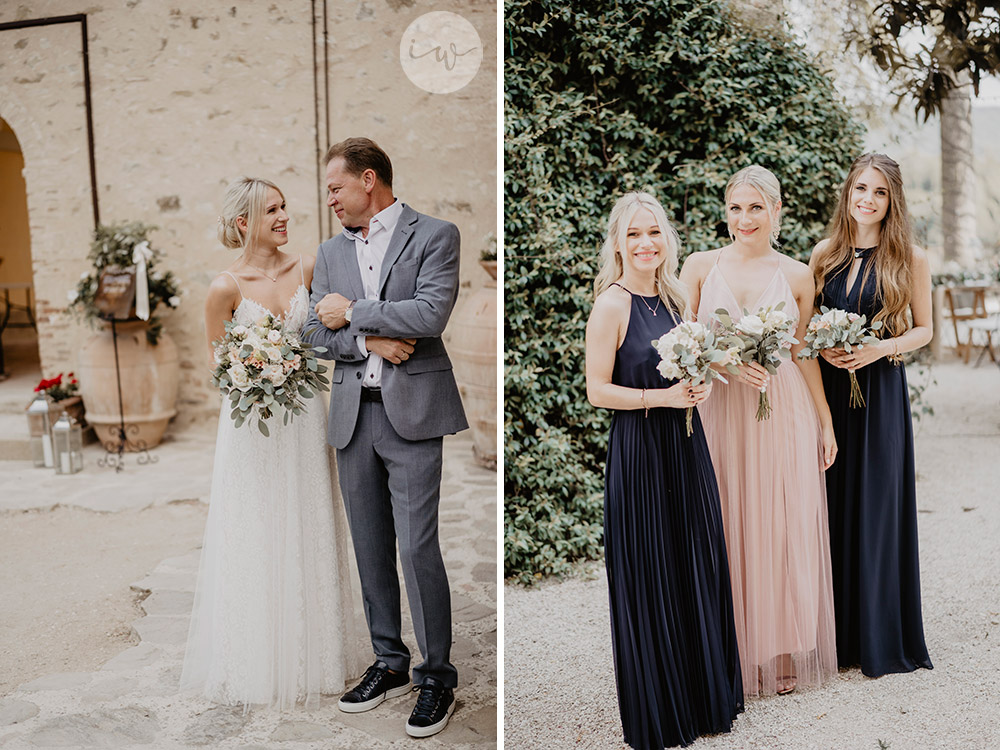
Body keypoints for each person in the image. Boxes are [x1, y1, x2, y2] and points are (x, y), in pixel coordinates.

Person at [302, 137, 468, 738]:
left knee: (418, 546)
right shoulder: (327, 252)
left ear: (368, 180)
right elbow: (316, 336)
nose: (330, 200)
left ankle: (437, 677)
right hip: (352, 414)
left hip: (415, 413)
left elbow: (429, 316)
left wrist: (354, 311)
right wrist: (369, 337)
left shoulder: (436, 235)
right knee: (369, 545)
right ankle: (390, 662)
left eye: (335, 188)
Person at [180, 176, 359, 708]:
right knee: (255, 525)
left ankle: (316, 651)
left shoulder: (307, 267)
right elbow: (216, 361)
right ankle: (255, 654)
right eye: (273, 210)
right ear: (245, 222)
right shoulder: (225, 288)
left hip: (304, 417)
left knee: (309, 517)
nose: (285, 217)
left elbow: (328, 330)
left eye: (285, 208)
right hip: (253, 424)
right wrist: (253, 368)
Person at [585, 191, 743, 749]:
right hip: (643, 452)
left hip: (687, 446)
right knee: (652, 571)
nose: (645, 243)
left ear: (666, 238)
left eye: (653, 232)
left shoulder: (678, 298)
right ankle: (662, 709)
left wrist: (700, 384)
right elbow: (596, 390)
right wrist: (665, 399)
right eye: (633, 234)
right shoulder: (613, 303)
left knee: (695, 561)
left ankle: (703, 697)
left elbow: (692, 362)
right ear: (618, 243)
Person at [680, 165, 838, 697]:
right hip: (719, 409)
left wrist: (825, 418)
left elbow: (802, 351)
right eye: (735, 207)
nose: (744, 218)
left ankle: (780, 646)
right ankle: (729, 646)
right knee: (722, 517)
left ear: (776, 211)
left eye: (755, 207)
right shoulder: (700, 266)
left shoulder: (796, 274)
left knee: (779, 521)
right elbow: (682, 342)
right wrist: (723, 363)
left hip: (779, 407)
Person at [810, 153, 933, 677]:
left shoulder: (910, 257)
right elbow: (805, 328)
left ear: (892, 200)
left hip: (880, 391)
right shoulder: (824, 253)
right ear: (847, 193)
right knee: (834, 505)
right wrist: (824, 348)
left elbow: (924, 330)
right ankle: (838, 637)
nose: (867, 199)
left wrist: (880, 350)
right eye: (860, 188)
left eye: (879, 192)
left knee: (879, 507)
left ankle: (882, 636)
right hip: (834, 391)